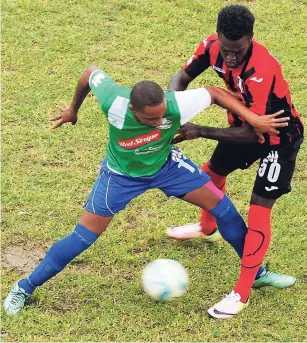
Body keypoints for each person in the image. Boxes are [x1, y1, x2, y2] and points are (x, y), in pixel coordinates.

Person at [3, 64, 288, 318]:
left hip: (167, 167)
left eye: (161, 117)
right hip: (120, 176)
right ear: (131, 110)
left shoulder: (175, 104)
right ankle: (24, 287)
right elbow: (90, 73)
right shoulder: (114, 101)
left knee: (225, 211)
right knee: (82, 238)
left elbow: (214, 92)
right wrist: (73, 110)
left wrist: (252, 118)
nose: (159, 123)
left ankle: (256, 272)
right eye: (150, 120)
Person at [166, 5, 304, 318]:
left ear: (251, 41)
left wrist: (199, 130)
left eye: (237, 50)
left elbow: (255, 130)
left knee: (257, 209)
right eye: (226, 49)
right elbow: (181, 77)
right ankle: (207, 227)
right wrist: (172, 109)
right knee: (210, 174)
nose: (230, 57)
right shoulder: (210, 47)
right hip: (242, 129)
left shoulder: (261, 67)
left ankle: (241, 293)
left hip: (278, 139)